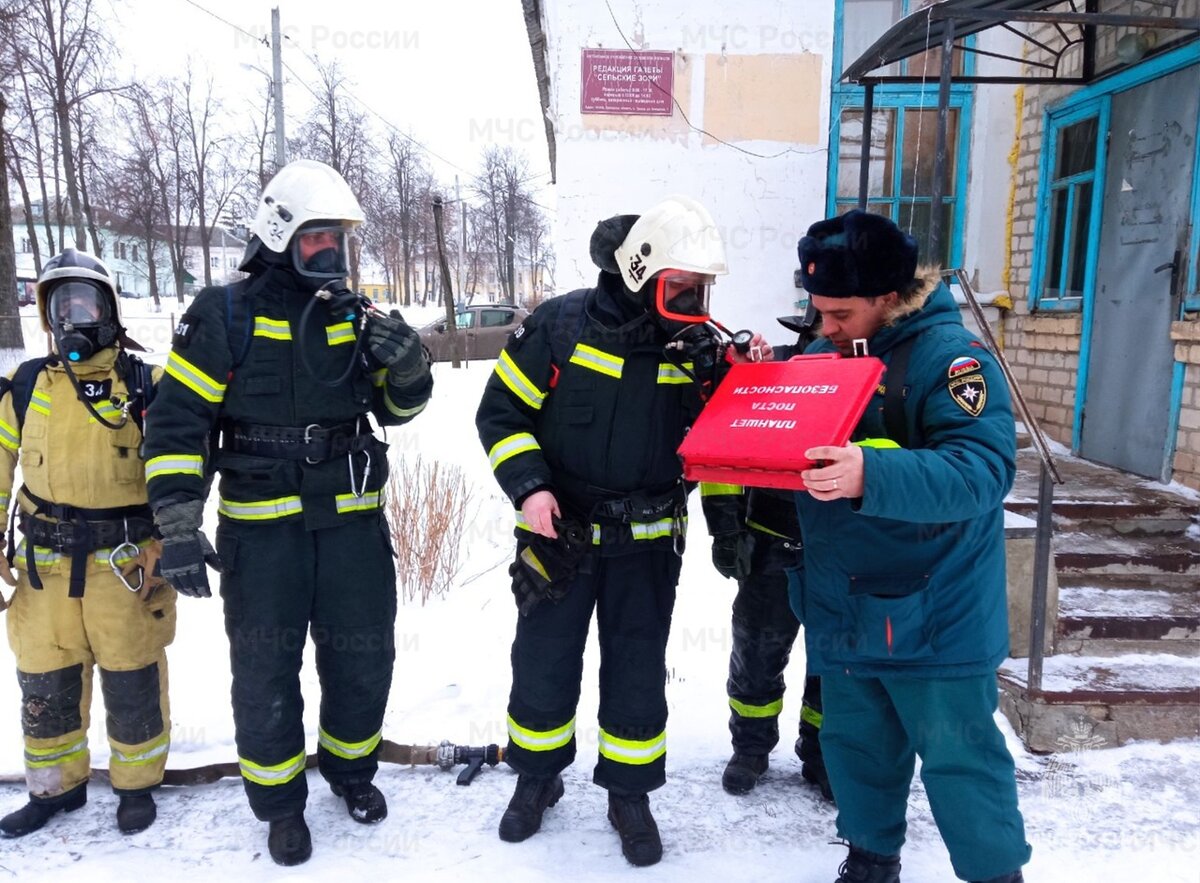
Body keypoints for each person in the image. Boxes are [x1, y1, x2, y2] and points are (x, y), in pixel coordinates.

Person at [142, 159, 433, 866]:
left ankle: (351, 770)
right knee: (266, 671)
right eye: (314, 240)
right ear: (278, 235)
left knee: (364, 660)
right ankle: (278, 805)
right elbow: (178, 425)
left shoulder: (352, 315)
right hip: (262, 536)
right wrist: (179, 524)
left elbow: (396, 408)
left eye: (336, 240)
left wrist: (408, 367)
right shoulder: (224, 315)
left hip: (353, 529)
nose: (328, 254)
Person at [476, 196, 762, 867]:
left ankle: (629, 793)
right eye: (681, 288)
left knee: (637, 671)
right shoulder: (562, 325)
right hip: (557, 534)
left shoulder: (700, 354)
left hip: (648, 542)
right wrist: (530, 488)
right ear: (640, 273)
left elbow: (719, 447)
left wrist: (727, 523)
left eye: (702, 290)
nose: (694, 303)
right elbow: (500, 414)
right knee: (543, 660)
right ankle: (537, 776)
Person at [789, 209, 1030, 883]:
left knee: (961, 758)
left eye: (838, 313)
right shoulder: (823, 355)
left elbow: (981, 471)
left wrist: (871, 472)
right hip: (846, 601)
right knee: (857, 747)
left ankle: (994, 873)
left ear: (888, 298)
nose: (824, 327)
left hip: (937, 611)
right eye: (817, 311)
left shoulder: (952, 361)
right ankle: (869, 856)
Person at [0, 249, 172, 838]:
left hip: (124, 569)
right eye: (60, 303)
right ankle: (55, 789)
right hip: (43, 573)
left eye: (85, 301)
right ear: (47, 314)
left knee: (133, 682)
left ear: (108, 308)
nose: (74, 315)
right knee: (45, 685)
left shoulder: (144, 386)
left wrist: (178, 537)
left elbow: (179, 468)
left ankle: (137, 786)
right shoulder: (27, 386)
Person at [701, 311, 831, 801]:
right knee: (756, 653)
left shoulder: (870, 377)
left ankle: (820, 752)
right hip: (769, 541)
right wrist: (727, 529)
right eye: (827, 323)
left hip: (837, 550)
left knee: (831, 659)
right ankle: (751, 748)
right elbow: (725, 450)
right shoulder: (772, 375)